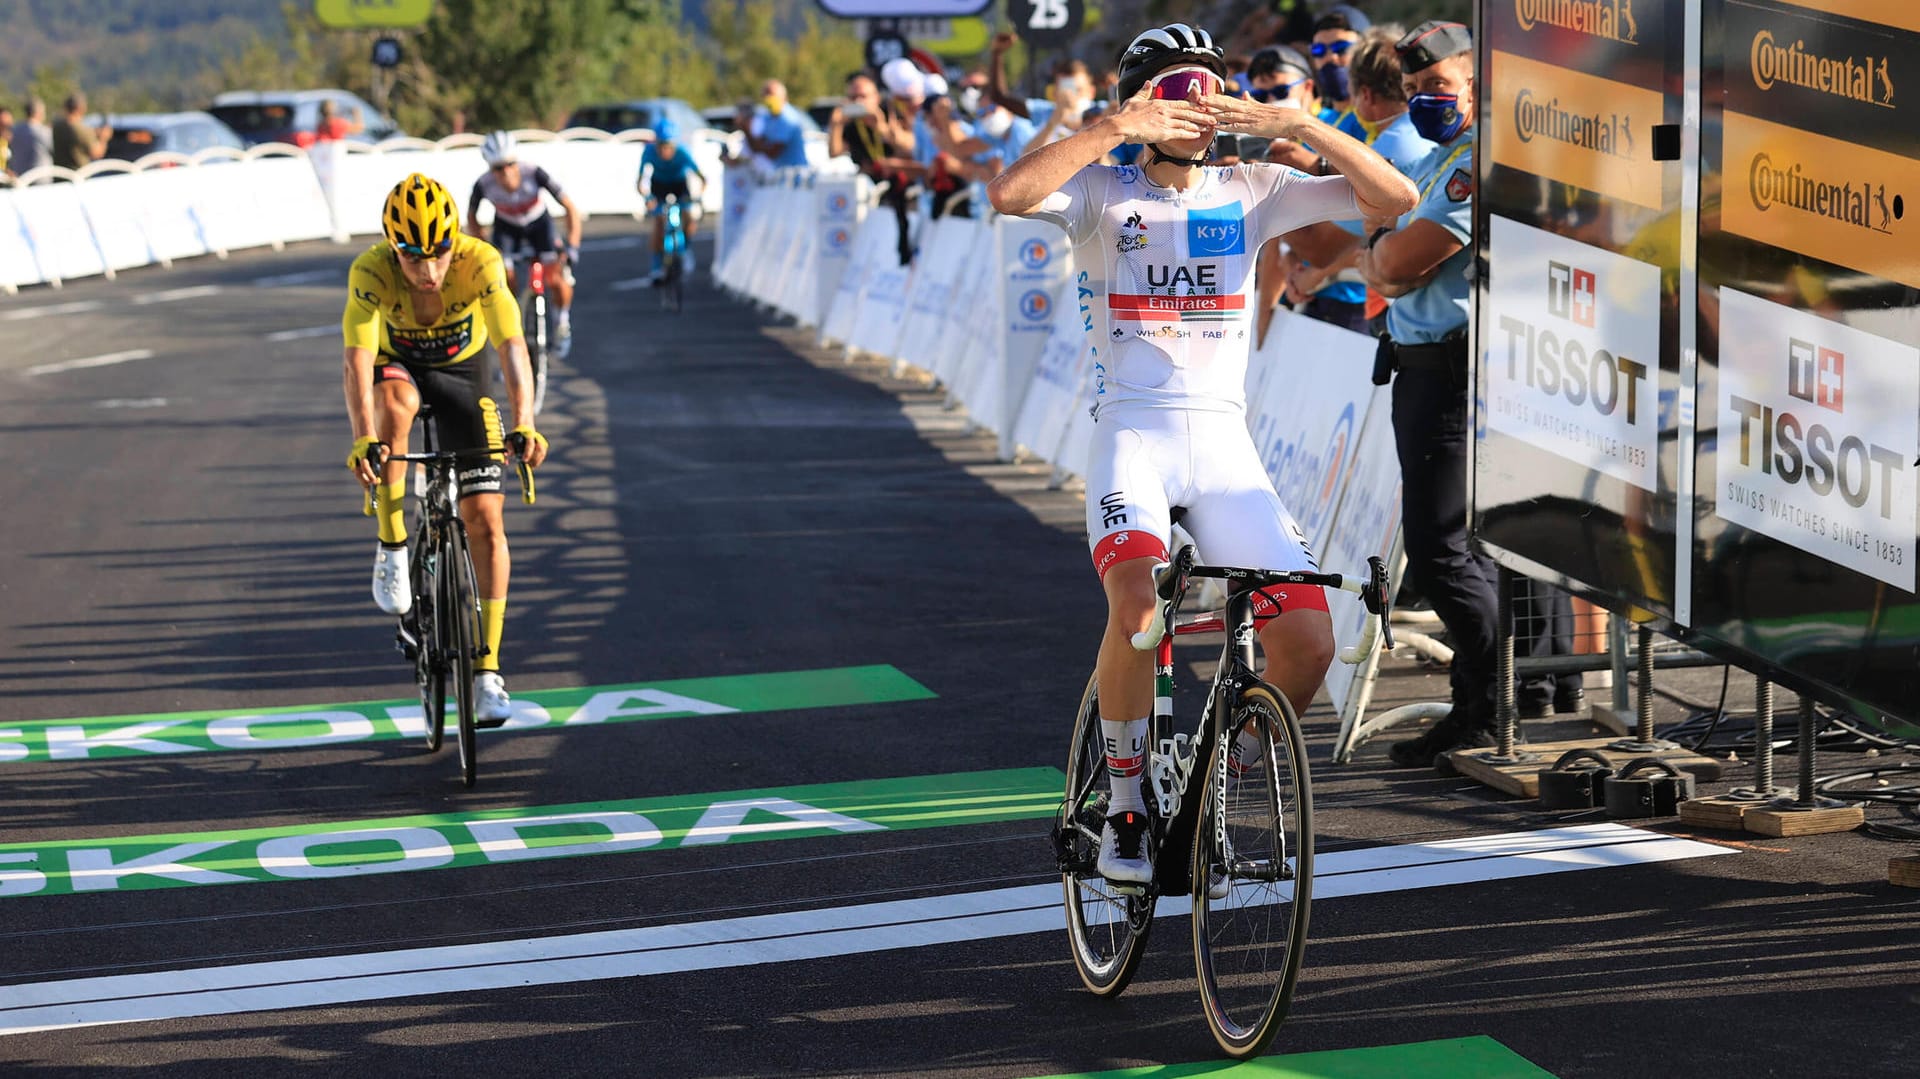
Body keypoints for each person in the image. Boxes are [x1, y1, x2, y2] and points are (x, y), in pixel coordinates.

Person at [989, 22, 1415, 883]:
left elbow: (1395, 200)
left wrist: (1291, 125)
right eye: (1176, 92)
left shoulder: (1253, 184)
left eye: (1207, 91)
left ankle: (1209, 778)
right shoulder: (1101, 190)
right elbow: (1006, 195)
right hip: (1132, 439)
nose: (1196, 110)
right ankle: (1126, 808)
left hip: (1226, 452)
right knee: (1141, 611)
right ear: (1141, 100)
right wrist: (1114, 128)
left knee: (1308, 642)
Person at [343, 173, 549, 725]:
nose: (429, 272)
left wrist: (525, 422)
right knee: (393, 408)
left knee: (485, 520)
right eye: (413, 259)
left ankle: (487, 673)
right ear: (393, 249)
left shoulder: (478, 262)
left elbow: (512, 345)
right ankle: (392, 548)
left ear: (454, 240)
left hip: (465, 371)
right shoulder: (371, 272)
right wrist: (364, 437)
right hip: (400, 369)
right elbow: (358, 362)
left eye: (438, 254)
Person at [1354, 21, 1499, 768]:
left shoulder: (1473, 163)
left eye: (1439, 88)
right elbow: (1386, 266)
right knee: (1461, 546)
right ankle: (1479, 702)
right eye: (1413, 91)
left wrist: (1381, 253)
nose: (1424, 102)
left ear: (1479, 85)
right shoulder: (1442, 155)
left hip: (1450, 370)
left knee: (1440, 549)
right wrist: (1383, 258)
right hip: (1422, 363)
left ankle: (1487, 705)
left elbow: (1396, 260)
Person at [1274, 25, 1437, 337]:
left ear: (1364, 94)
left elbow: (1321, 248)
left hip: (1405, 318)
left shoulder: (1393, 146)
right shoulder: (1413, 132)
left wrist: (1275, 182)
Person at [467, 131, 582, 357]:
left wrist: (572, 246)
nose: (506, 172)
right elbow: (471, 216)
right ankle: (511, 334)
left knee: (556, 278)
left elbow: (570, 208)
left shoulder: (534, 173)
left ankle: (562, 323)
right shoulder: (483, 184)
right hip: (506, 229)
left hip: (539, 225)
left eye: (510, 164)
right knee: (503, 279)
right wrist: (485, 246)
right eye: (498, 168)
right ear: (490, 169)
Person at [829, 72, 918, 266]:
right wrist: (835, 125)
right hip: (870, 188)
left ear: (876, 97)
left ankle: (904, 256)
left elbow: (909, 146)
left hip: (900, 186)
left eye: (863, 96)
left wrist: (882, 128)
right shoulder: (851, 124)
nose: (859, 102)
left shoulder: (890, 112)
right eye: (853, 98)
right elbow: (834, 152)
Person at [637, 119, 706, 280]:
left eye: (669, 147)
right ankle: (656, 265)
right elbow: (639, 181)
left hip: (679, 184)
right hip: (659, 185)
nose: (665, 151)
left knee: (688, 217)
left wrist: (697, 198)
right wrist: (647, 197)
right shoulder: (648, 152)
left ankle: (686, 249)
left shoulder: (683, 152)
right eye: (661, 146)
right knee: (659, 222)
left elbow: (702, 179)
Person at [1309, 5, 1371, 137]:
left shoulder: (1379, 117)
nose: (1331, 57)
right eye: (1318, 50)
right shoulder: (1317, 123)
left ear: (1368, 51)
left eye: (1341, 48)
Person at [744, 80, 811, 169]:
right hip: (781, 172)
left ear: (783, 96)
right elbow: (758, 145)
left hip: (795, 172)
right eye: (765, 96)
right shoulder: (767, 117)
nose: (768, 99)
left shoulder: (788, 117)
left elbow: (773, 152)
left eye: (771, 95)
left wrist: (756, 141)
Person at [50, 92, 109, 172]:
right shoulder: (82, 130)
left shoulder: (57, 126)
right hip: (78, 176)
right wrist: (103, 138)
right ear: (82, 108)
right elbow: (96, 153)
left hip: (59, 176)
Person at [9, 97, 51, 177]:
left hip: (19, 179)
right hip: (41, 180)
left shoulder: (15, 130)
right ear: (39, 112)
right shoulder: (44, 132)